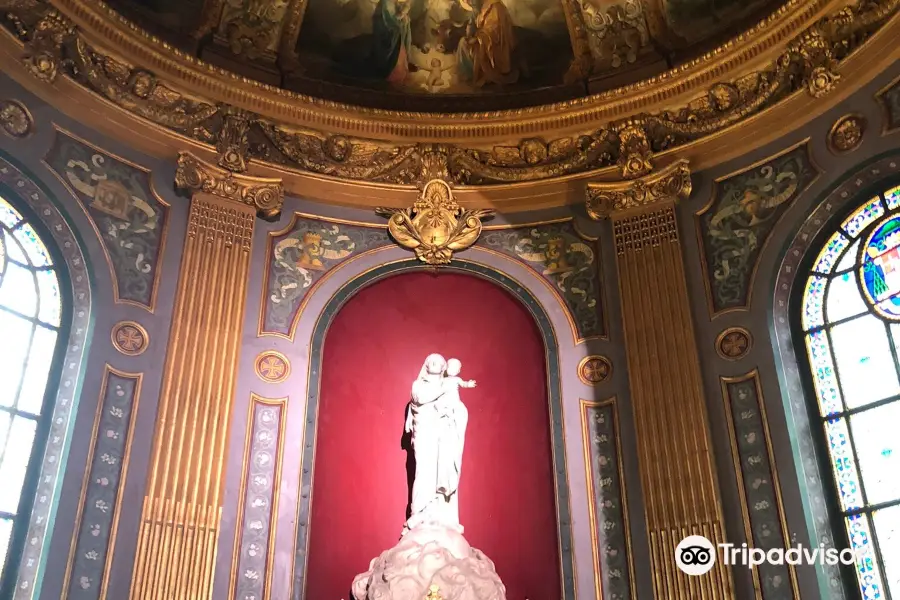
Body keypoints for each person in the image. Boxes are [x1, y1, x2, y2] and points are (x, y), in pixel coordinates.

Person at [435, 358, 475, 498]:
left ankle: (449, 483)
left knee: (452, 450)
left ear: (458, 371)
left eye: (455, 367)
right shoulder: (441, 382)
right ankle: (442, 483)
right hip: (444, 413)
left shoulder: (456, 380)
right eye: (450, 366)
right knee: (442, 451)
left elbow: (464, 384)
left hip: (454, 412)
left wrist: (468, 384)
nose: (452, 369)